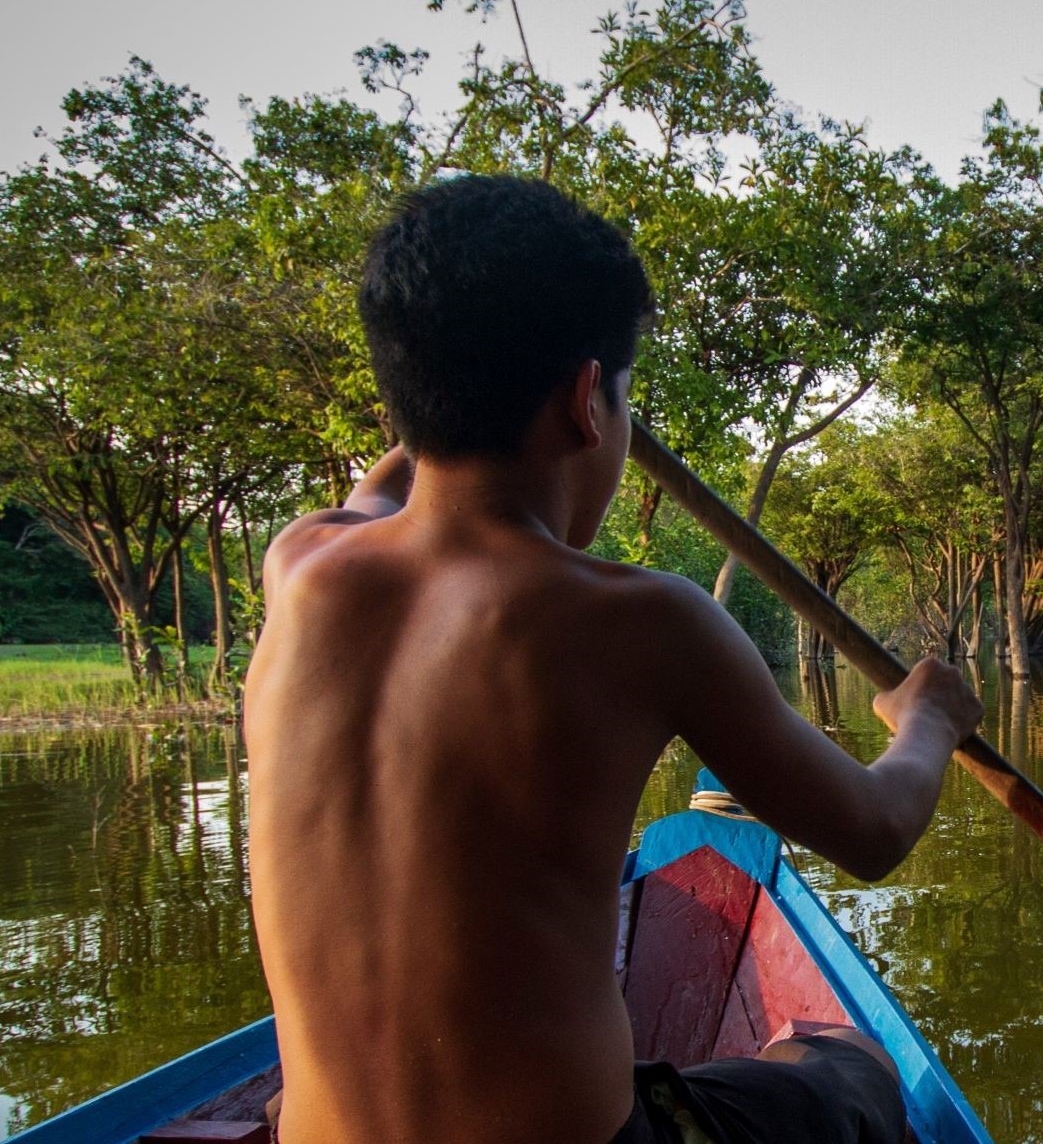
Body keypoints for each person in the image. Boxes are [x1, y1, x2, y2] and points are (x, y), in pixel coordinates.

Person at [242, 174, 983, 1144]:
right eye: (624, 395)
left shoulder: (301, 562)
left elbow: (389, 480)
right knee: (846, 1066)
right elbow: (876, 829)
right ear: (588, 400)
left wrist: (452, 382)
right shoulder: (644, 621)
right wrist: (924, 716)